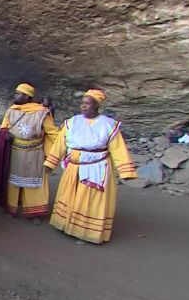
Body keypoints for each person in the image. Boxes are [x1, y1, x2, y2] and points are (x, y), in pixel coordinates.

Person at [44, 89, 137, 244]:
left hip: (96, 168)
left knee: (89, 201)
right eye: (82, 103)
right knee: (70, 196)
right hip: (73, 167)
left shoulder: (108, 125)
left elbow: (118, 149)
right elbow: (60, 144)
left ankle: (85, 232)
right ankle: (66, 225)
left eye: (87, 103)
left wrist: (125, 171)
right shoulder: (72, 122)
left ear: (96, 105)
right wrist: (50, 163)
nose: (83, 106)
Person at [0, 83, 58, 221]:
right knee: (13, 181)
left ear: (27, 96)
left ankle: (35, 213)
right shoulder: (12, 110)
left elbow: (53, 133)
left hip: (35, 153)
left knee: (34, 182)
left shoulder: (41, 112)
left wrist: (56, 152)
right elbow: (4, 129)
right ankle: (11, 207)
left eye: (18, 93)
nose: (14, 96)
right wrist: (6, 136)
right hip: (15, 152)